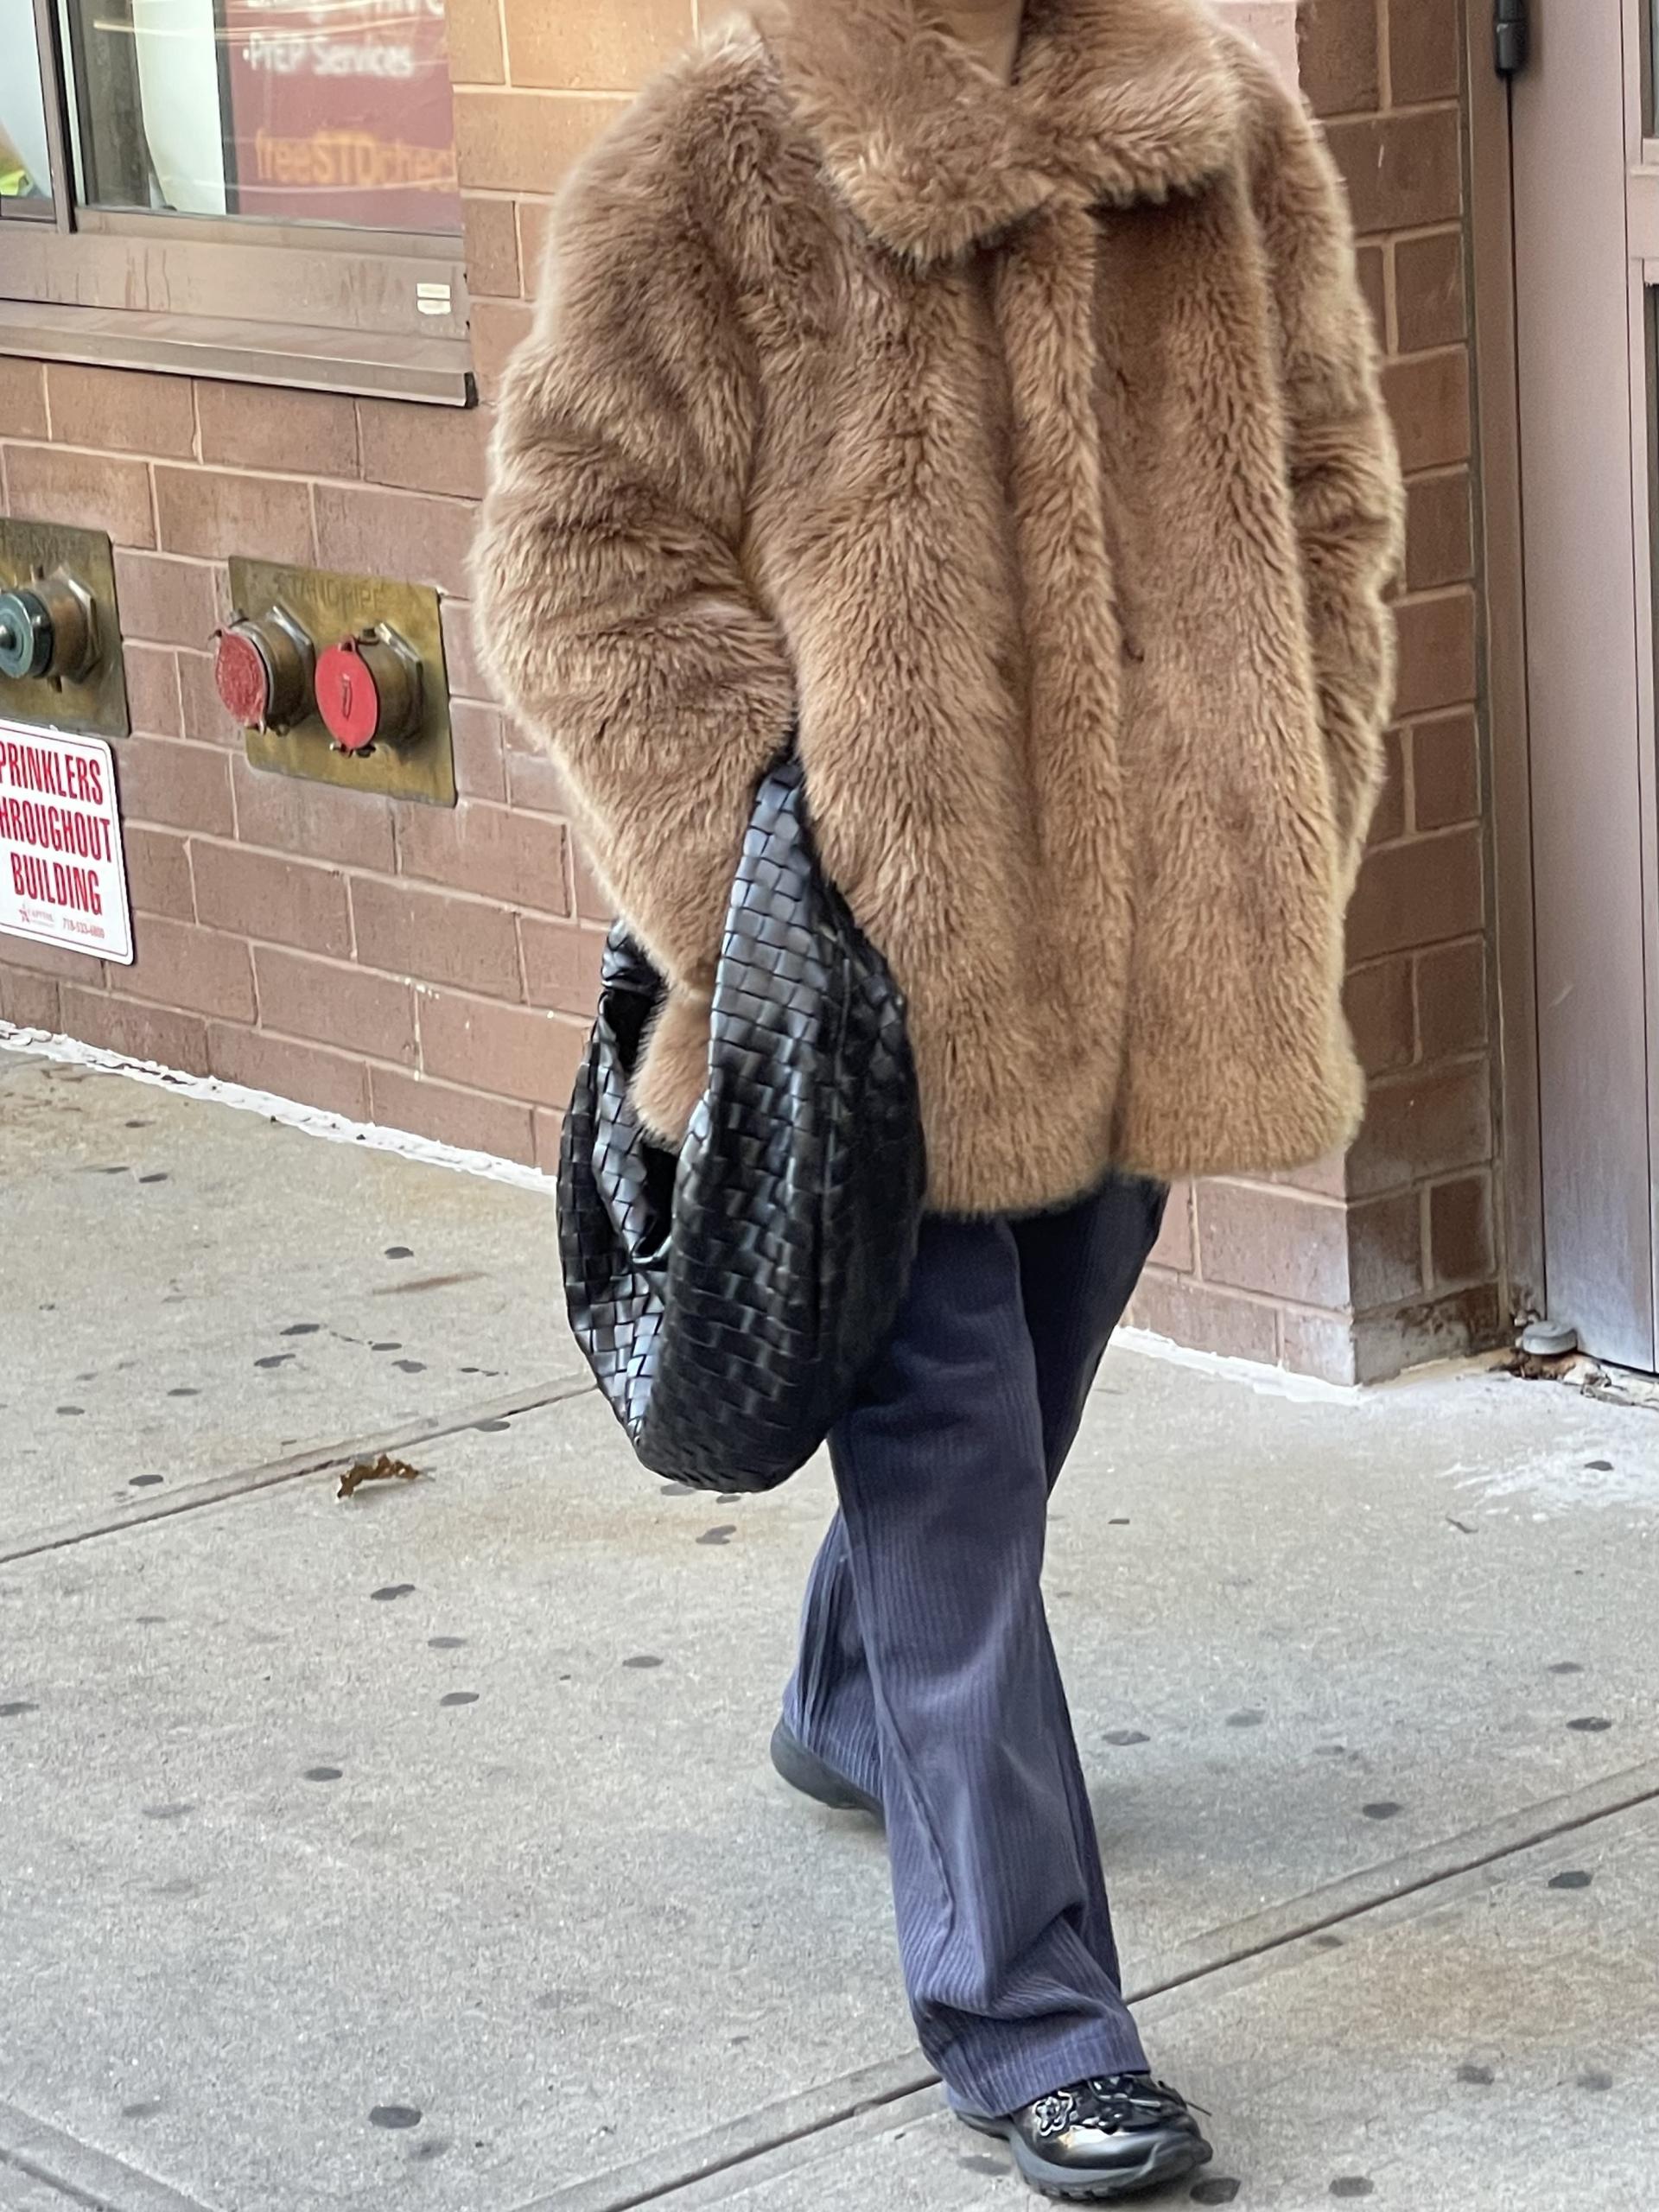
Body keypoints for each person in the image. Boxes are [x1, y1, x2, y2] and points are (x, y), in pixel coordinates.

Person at [474, 0, 1402, 2195]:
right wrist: (782, 881)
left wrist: (1288, 800)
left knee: (1015, 1421)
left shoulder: (1222, 131)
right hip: (883, 1003)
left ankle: (843, 1698)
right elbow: (574, 557)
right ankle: (1032, 2015)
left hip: (1160, 965)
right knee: (957, 1472)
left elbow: (1332, 489)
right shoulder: (726, 152)